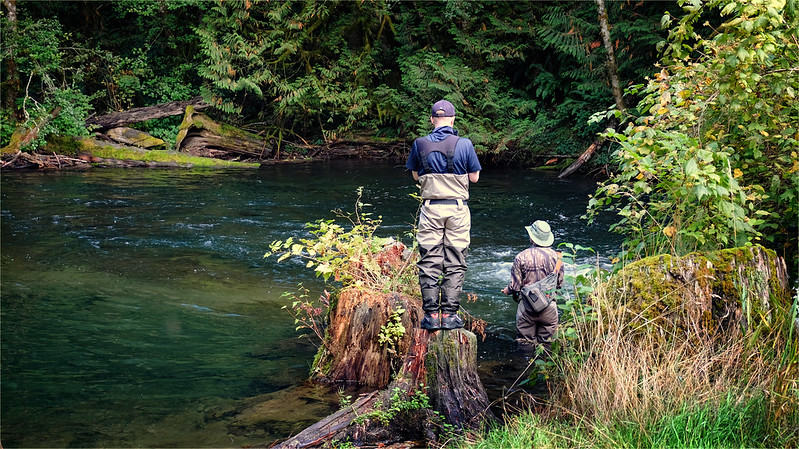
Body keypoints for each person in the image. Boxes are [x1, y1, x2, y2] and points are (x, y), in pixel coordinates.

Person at [405, 99, 482, 331]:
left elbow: (416, 177)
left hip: (431, 208)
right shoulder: (465, 144)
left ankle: (430, 315)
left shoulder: (419, 144)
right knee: (455, 260)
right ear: (453, 119)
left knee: (429, 259)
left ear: (431, 120)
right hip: (457, 209)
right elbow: (475, 178)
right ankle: (449, 314)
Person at [501, 220, 564, 354]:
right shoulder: (557, 258)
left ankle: (525, 369)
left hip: (527, 308)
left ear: (532, 237)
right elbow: (559, 284)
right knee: (547, 344)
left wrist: (507, 290)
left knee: (525, 343)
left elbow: (515, 287)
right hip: (549, 307)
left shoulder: (521, 257)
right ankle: (544, 372)